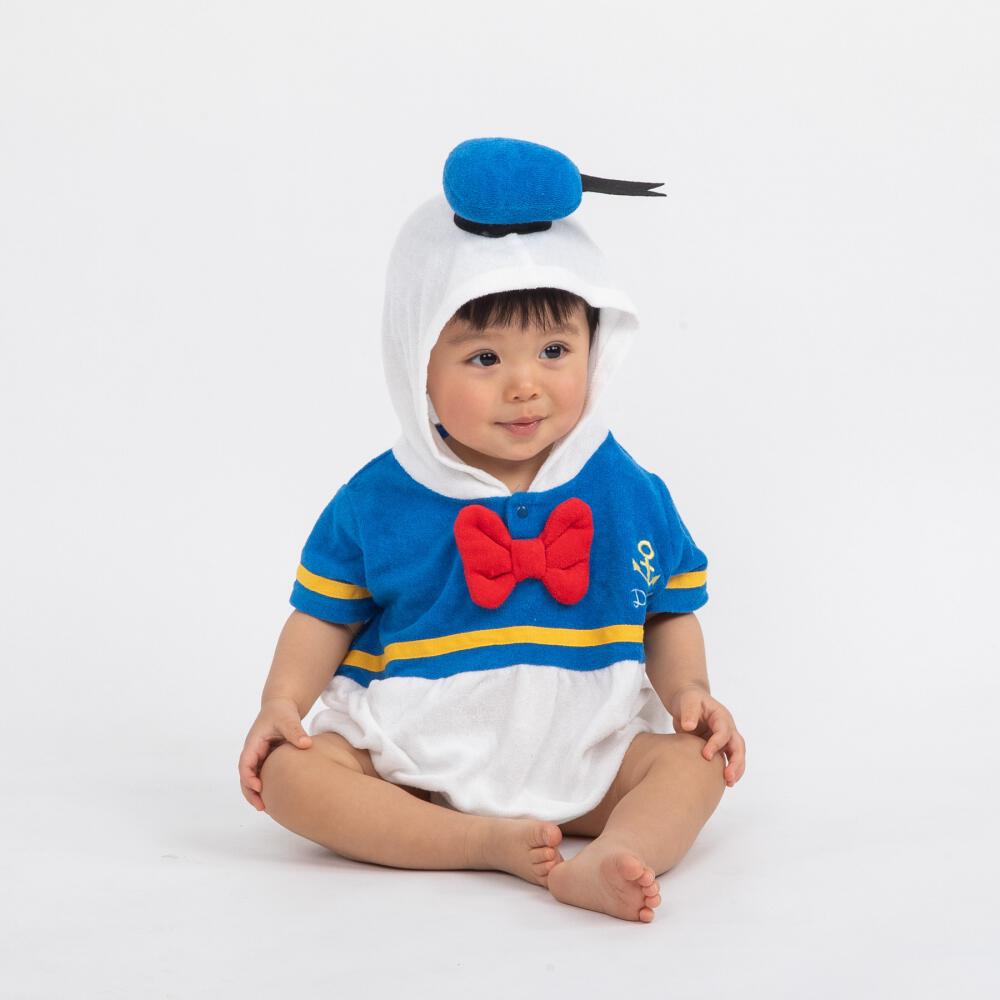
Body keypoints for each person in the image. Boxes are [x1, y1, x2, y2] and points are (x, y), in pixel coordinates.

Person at [238, 138, 746, 923]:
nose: (524, 385)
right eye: (483, 358)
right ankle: (476, 841)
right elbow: (322, 617)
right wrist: (281, 701)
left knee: (697, 762)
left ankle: (616, 852)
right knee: (289, 774)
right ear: (417, 362)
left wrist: (690, 692)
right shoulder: (379, 498)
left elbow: (669, 610)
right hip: (410, 760)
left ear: (595, 348)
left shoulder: (626, 490)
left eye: (554, 350)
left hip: (587, 750)